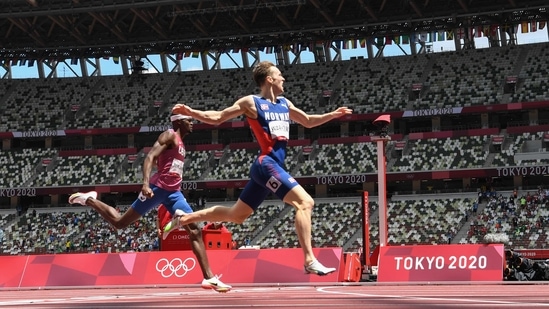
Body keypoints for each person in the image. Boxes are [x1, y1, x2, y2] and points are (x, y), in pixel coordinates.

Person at [164, 60, 352, 276]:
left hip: (269, 168)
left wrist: (334, 114)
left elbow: (308, 121)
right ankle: (309, 259)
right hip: (267, 164)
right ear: (269, 79)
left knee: (236, 215)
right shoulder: (251, 103)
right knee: (305, 202)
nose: (284, 78)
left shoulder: (285, 103)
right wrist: (191, 111)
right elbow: (217, 117)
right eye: (280, 75)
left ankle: (185, 218)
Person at [68, 113, 231, 292]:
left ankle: (209, 278)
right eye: (189, 120)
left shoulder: (183, 143)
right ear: (178, 121)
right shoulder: (169, 135)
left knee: (195, 230)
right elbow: (149, 157)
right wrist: (145, 184)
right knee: (120, 223)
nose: (192, 123)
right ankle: (90, 199)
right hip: (157, 189)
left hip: (174, 193)